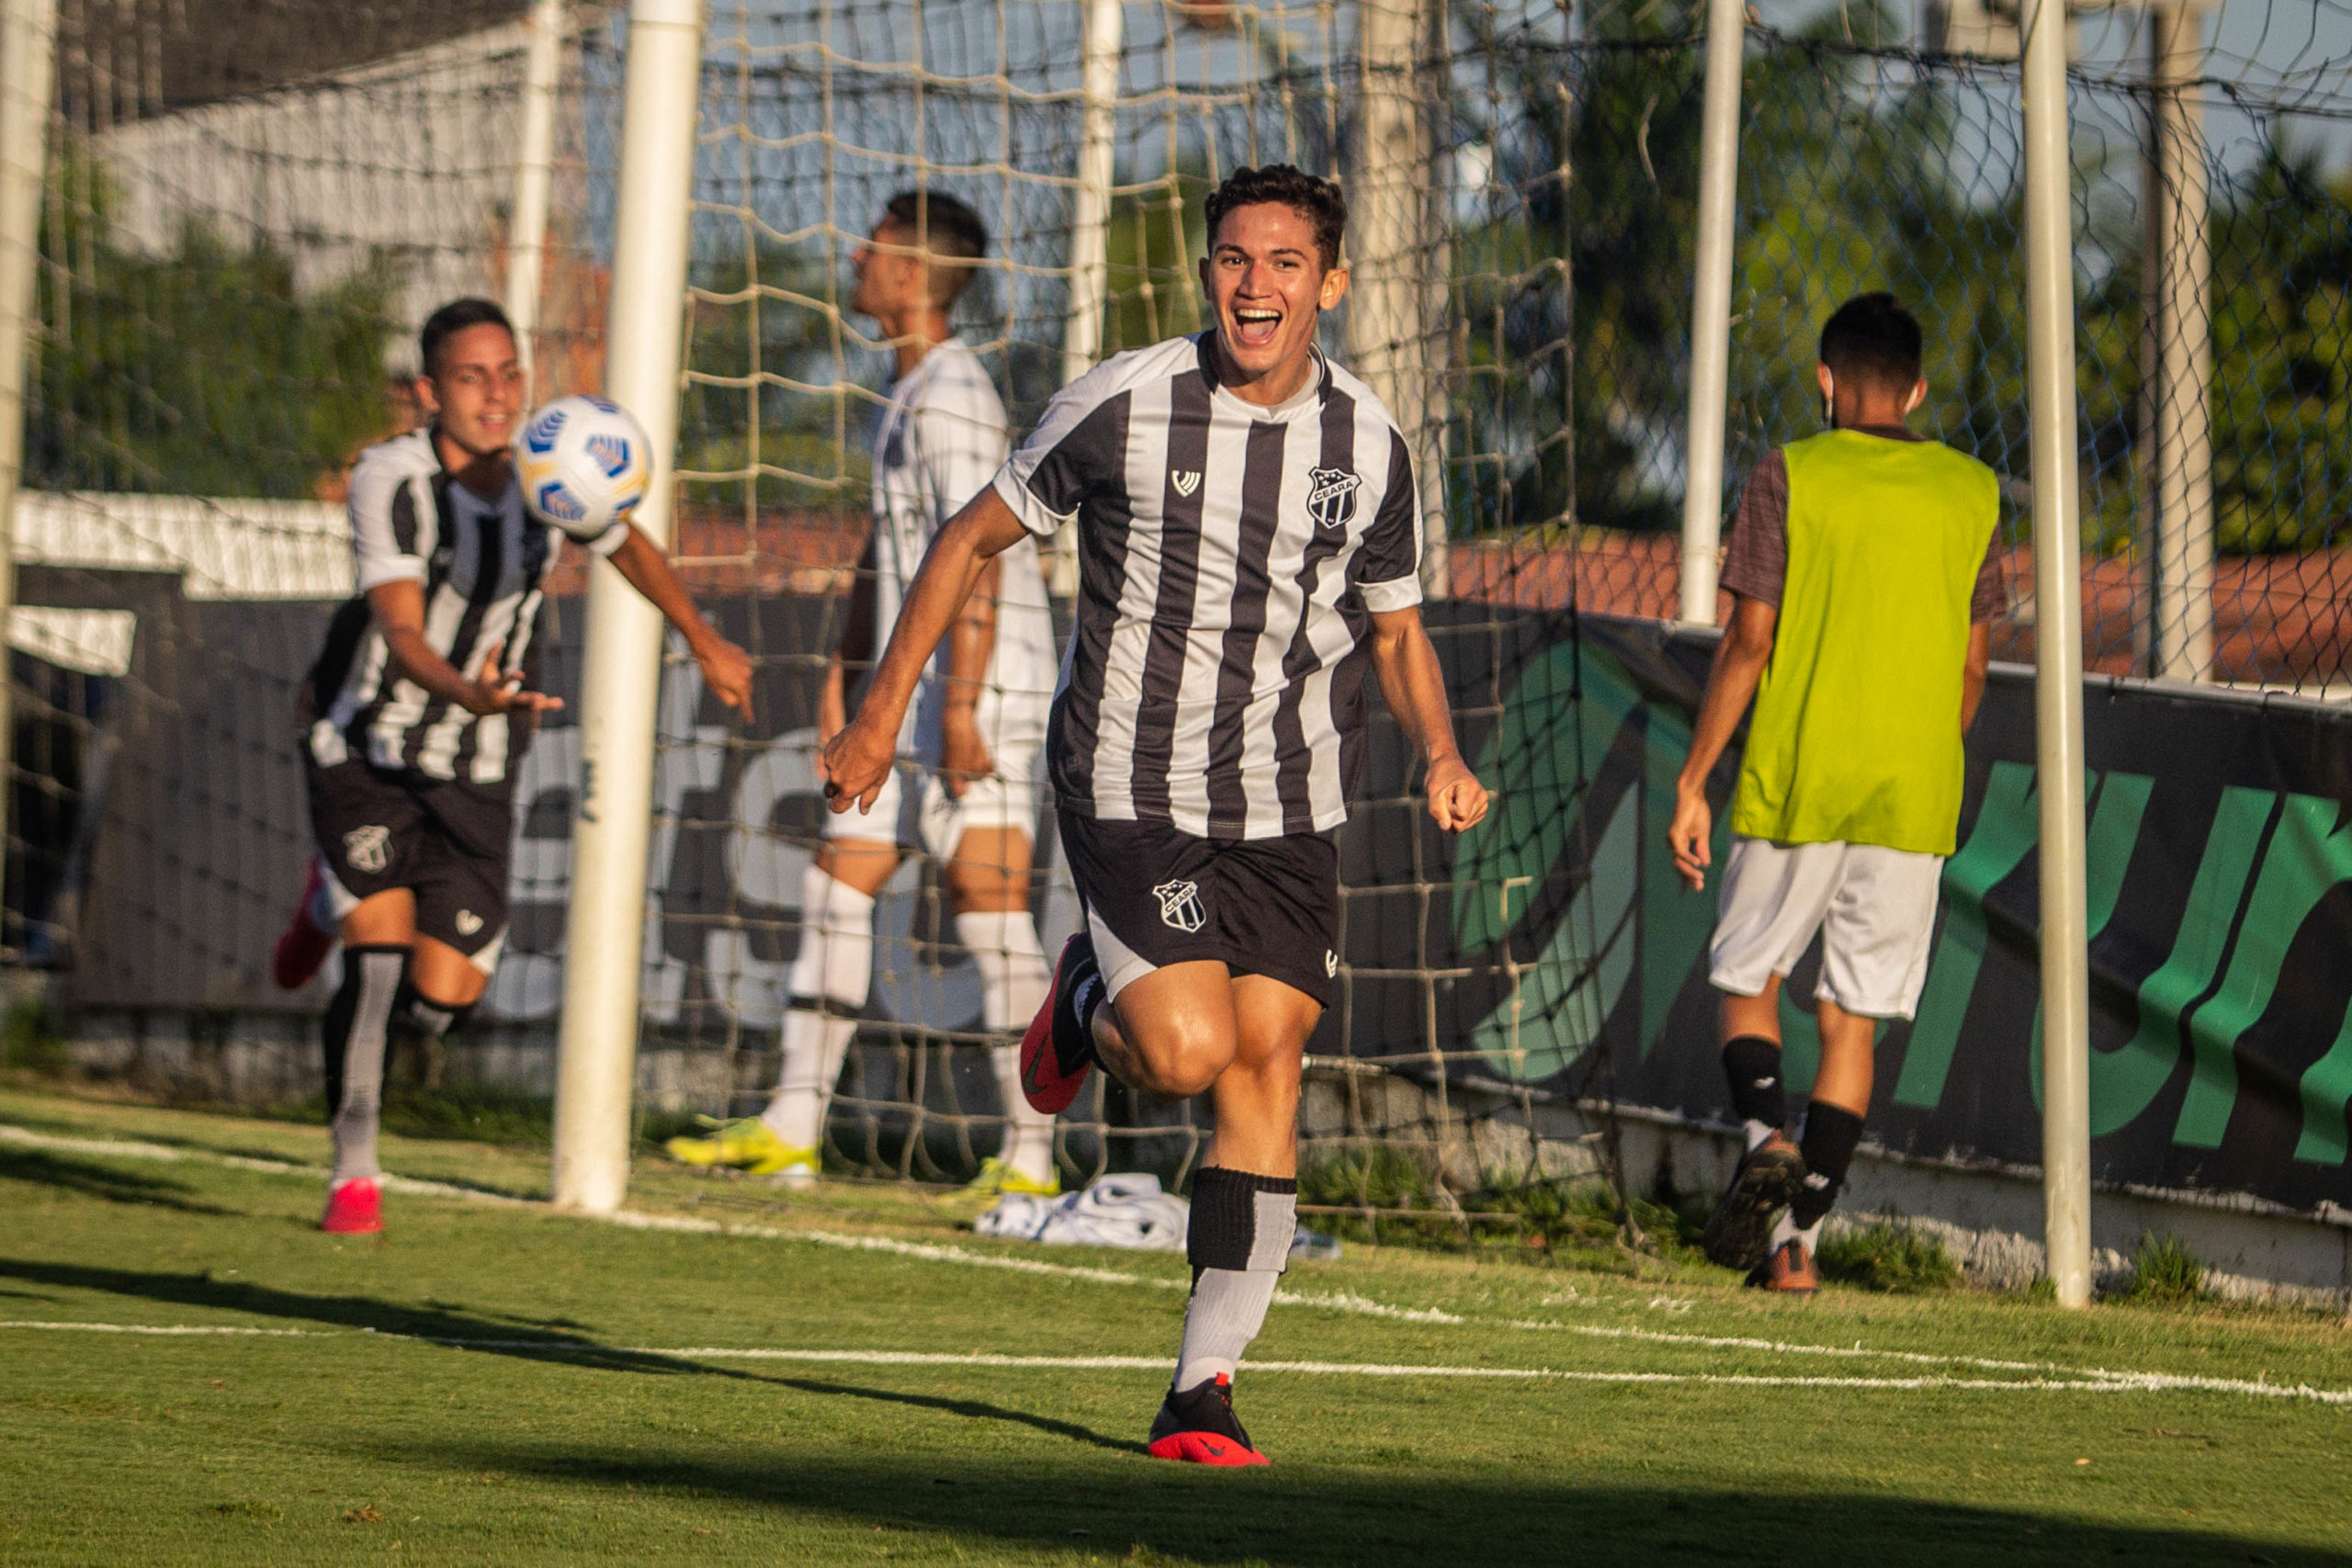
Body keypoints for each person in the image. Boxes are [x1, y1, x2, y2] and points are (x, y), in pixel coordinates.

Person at [821, 164, 1488, 1464]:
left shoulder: (1370, 443)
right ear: (1208, 273)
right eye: (1235, 259)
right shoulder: (1125, 401)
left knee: (1271, 1058)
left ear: (1330, 282)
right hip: (1129, 778)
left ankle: (1201, 1390)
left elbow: (1396, 631)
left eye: (1286, 262)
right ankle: (1085, 998)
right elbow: (964, 542)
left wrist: (1445, 749)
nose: (1257, 284)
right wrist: (876, 715)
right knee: (1185, 1053)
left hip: (1290, 798)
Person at [279, 297, 753, 1235]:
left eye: (507, 375)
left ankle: (321, 897)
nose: (496, 396)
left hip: (481, 756)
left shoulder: (553, 467)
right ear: (428, 391)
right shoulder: (391, 478)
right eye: (470, 377)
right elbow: (401, 627)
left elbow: (623, 540)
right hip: (368, 741)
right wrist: (462, 689)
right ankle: (354, 1172)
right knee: (375, 960)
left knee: (444, 997)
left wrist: (701, 636)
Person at [662, 190, 1063, 1195]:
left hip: (984, 689)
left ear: (915, 275)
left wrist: (961, 705)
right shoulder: (903, 393)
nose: (853, 258)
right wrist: (851, 695)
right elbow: (885, 566)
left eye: (873, 248)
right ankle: (793, 1124)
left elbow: (983, 556)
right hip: (915, 693)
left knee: (985, 908)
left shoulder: (957, 396)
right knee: (836, 881)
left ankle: (1030, 1157)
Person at [1668, 291, 2000, 1293]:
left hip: (1801, 776)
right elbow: (1975, 668)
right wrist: (1919, 749)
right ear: (1918, 388)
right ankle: (1796, 1249)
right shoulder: (1974, 491)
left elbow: (1750, 639)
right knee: (1849, 1022)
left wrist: (1693, 780)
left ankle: (1766, 1133)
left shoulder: (1791, 473)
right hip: (1914, 792)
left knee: (1745, 977)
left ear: (1824, 379)